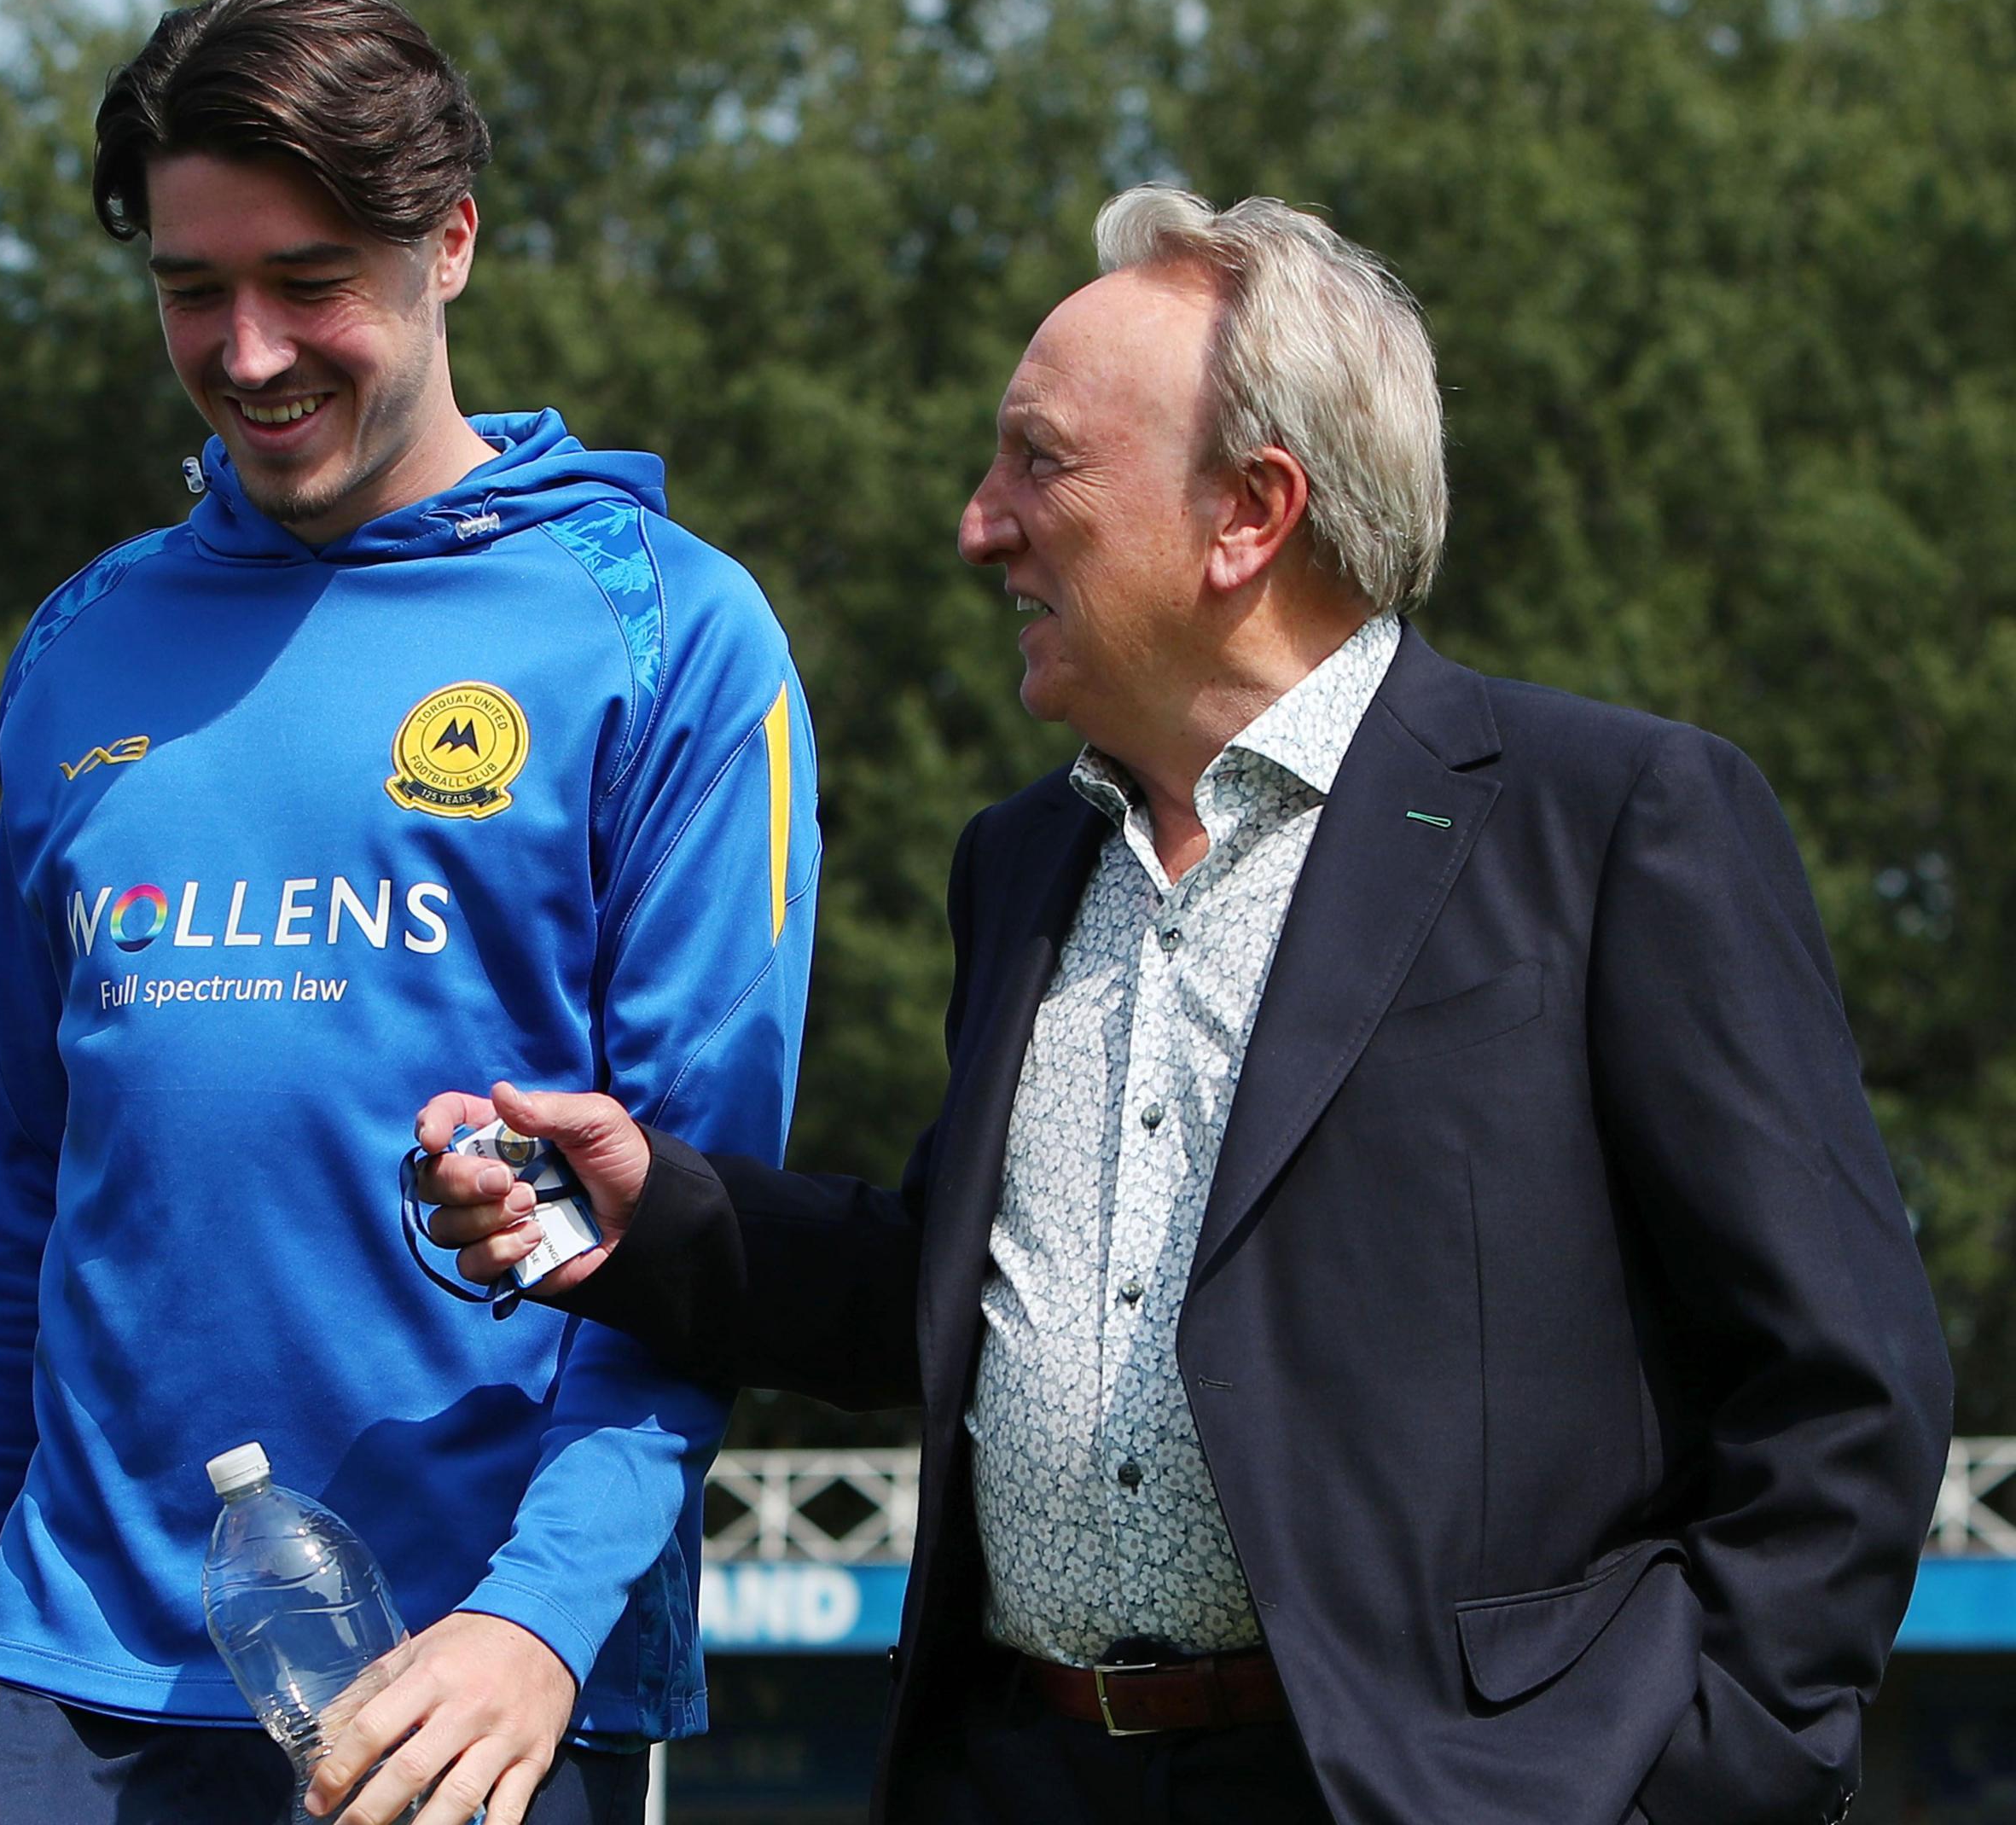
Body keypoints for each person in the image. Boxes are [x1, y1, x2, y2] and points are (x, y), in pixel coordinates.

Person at [412, 186, 1950, 1825]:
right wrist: (662, 1223)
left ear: (1251, 514)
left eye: (1040, 463)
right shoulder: (1021, 864)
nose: (978, 525)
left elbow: (1844, 1378)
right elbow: (956, 1301)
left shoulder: (1616, 819)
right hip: (1022, 1777)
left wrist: (1707, 1785)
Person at [0, 0, 821, 1822]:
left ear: (450, 240)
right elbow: (17, 1204)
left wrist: (543, 1625)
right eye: (189, 288)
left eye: (310, 280)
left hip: (453, 1696)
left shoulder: (670, 634)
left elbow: (711, 1237)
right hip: (52, 1695)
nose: (246, 352)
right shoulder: (82, 644)